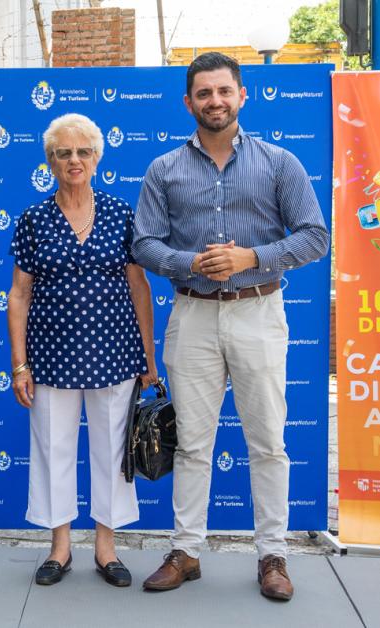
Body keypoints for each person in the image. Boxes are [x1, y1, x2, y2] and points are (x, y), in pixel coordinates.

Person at [133, 52, 329, 601]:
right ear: (188, 102)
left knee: (267, 441)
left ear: (242, 96)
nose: (214, 101)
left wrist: (253, 258)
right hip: (192, 314)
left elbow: (316, 236)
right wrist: (190, 262)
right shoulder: (163, 170)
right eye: (204, 93)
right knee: (193, 444)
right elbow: (144, 244)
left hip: (257, 311)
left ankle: (273, 555)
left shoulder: (278, 163)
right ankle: (187, 550)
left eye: (224, 91)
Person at [7, 113, 157, 588]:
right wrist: (19, 365)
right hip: (50, 356)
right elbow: (19, 294)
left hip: (115, 353)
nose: (74, 160)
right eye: (63, 153)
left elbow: (139, 287)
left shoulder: (120, 213)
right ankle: (60, 548)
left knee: (114, 451)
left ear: (97, 157)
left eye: (83, 152)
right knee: (53, 450)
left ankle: (107, 549)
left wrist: (150, 359)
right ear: (50, 161)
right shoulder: (34, 218)